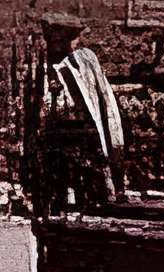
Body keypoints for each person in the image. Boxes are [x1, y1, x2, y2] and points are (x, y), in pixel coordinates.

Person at [26, 15, 125, 215]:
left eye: (60, 40)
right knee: (54, 180)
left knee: (85, 180)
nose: (55, 45)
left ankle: (88, 210)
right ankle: (55, 213)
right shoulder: (42, 67)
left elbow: (96, 96)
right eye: (51, 40)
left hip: (80, 130)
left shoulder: (82, 62)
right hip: (54, 132)